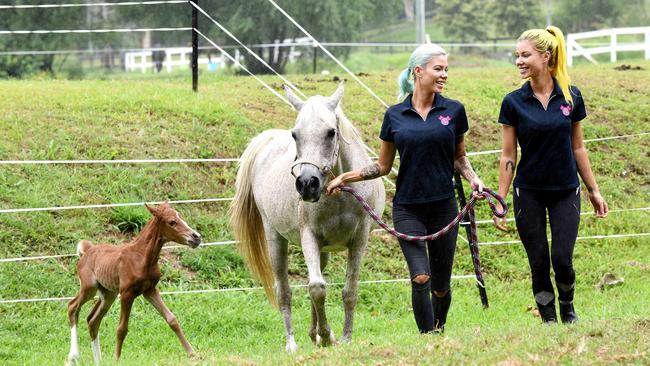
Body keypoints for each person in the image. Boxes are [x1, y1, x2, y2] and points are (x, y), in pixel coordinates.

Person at [325, 44, 484, 334]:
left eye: (446, 69)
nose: (444, 74)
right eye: (439, 68)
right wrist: (344, 177)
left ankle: (439, 328)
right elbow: (382, 166)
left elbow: (459, 158)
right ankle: (427, 340)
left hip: (444, 207)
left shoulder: (453, 110)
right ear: (417, 71)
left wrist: (474, 178)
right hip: (408, 208)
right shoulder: (395, 115)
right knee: (420, 277)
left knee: (440, 285)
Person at [493, 26, 608, 324]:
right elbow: (508, 155)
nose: (519, 61)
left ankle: (568, 310)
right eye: (517, 55)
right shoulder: (513, 102)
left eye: (525, 55)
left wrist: (593, 190)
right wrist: (501, 199)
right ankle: (548, 320)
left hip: (565, 190)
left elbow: (579, 148)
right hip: (527, 192)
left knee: (561, 258)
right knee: (539, 262)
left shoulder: (571, 97)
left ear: (545, 56)